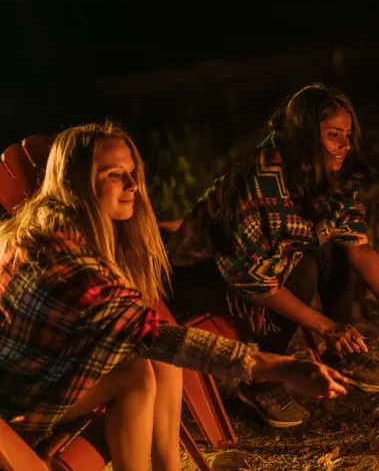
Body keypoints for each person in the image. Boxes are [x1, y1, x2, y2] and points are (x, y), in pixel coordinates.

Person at [0, 122, 348, 471]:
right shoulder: (60, 253)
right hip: (18, 407)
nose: (133, 185)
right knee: (136, 371)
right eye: (114, 174)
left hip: (49, 370)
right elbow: (149, 335)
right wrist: (278, 367)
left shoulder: (61, 227)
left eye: (132, 172)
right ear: (76, 183)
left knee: (157, 358)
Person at [168, 83, 379, 428]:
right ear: (304, 135)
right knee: (300, 266)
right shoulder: (262, 179)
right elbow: (253, 280)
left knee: (330, 246)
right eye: (334, 135)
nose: (345, 145)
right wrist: (327, 326)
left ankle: (343, 355)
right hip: (204, 274)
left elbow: (358, 245)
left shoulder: (330, 172)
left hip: (262, 266)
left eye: (347, 134)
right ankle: (262, 382)